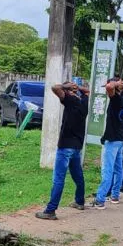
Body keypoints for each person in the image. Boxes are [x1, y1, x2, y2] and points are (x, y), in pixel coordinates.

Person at [35, 82, 90, 220]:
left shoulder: (70, 101)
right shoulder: (84, 101)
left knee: (58, 179)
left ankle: (50, 210)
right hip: (77, 147)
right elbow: (87, 91)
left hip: (65, 146)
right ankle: (79, 201)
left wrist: (66, 86)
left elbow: (55, 88)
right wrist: (76, 88)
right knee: (78, 176)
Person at [89, 78, 123, 209]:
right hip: (120, 138)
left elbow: (109, 88)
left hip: (113, 140)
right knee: (118, 169)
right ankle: (115, 195)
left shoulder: (117, 99)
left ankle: (100, 199)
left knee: (108, 169)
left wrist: (114, 84)